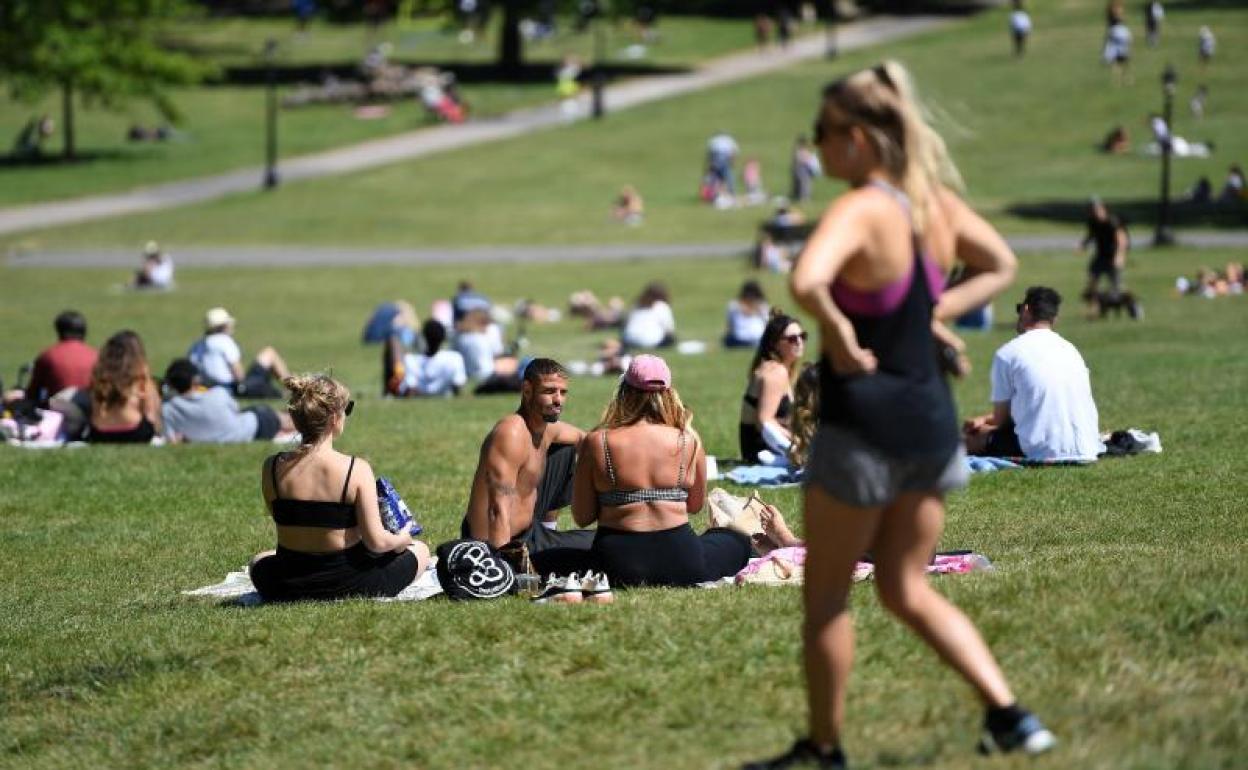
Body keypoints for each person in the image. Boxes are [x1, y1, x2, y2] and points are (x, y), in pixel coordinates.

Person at [747, 61, 1052, 769]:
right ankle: (1010, 715)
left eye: (823, 133)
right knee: (904, 586)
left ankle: (824, 749)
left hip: (863, 429)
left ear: (857, 137)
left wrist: (843, 335)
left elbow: (804, 279)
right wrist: (932, 311)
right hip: (930, 429)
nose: (817, 147)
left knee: (825, 597)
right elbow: (999, 263)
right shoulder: (934, 206)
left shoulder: (861, 207)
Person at [571, 355, 751, 587]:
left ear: (624, 392)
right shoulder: (688, 440)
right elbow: (695, 506)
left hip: (616, 563)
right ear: (668, 393)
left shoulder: (597, 441)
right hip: (682, 560)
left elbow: (583, 517)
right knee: (735, 539)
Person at [249, 374, 430, 601]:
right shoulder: (355, 469)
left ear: (296, 420)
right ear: (335, 418)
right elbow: (377, 542)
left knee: (259, 560)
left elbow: (287, 522)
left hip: (288, 582)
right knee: (421, 550)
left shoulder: (272, 467)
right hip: (350, 581)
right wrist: (402, 539)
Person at [461, 359, 594, 574]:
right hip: (494, 546)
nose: (558, 399)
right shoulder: (510, 433)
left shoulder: (547, 428)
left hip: (532, 534)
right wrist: (502, 569)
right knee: (600, 553)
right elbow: (497, 509)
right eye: (549, 391)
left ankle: (550, 532)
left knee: (604, 541)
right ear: (527, 391)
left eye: (563, 392)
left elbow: (586, 440)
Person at [963, 287, 1103, 463]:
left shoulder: (1008, 353)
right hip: (1088, 446)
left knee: (971, 437)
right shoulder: (1071, 349)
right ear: (1054, 319)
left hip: (1041, 450)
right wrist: (984, 419)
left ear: (1026, 309)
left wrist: (983, 424)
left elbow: (1002, 420)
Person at [161, 359, 295, 444]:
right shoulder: (218, 394)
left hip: (235, 428)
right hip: (253, 427)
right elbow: (235, 411)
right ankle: (302, 422)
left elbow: (171, 439)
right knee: (275, 416)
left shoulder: (168, 409)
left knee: (259, 411)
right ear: (194, 380)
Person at [739, 312, 806, 464]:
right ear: (774, 344)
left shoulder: (777, 368)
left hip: (765, 449)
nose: (799, 342)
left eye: (802, 336)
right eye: (792, 338)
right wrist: (797, 442)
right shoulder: (775, 372)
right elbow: (764, 422)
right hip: (763, 452)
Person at [188, 307, 290, 399]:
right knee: (269, 353)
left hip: (207, 389)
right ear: (224, 326)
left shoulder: (197, 345)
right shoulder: (224, 341)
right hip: (232, 388)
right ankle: (292, 388)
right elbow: (238, 373)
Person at [85, 331, 162, 444]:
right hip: (136, 432)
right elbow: (150, 407)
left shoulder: (100, 372)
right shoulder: (140, 370)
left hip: (99, 433)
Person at [25, 310, 97, 407]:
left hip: (58, 415)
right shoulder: (96, 356)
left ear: (59, 331)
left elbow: (32, 395)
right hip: (92, 414)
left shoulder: (48, 356)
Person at [386, 319, 467, 397]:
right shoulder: (455, 358)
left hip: (417, 393)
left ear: (424, 336)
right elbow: (458, 385)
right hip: (443, 394)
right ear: (443, 337)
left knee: (393, 343)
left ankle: (386, 392)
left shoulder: (411, 360)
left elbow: (410, 388)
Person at [1079, 197, 1129, 305]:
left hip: (1113, 256)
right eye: (1091, 210)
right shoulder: (1093, 222)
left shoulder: (1112, 221)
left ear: (1102, 208)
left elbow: (1122, 239)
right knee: (1092, 278)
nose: (1094, 212)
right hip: (1101, 255)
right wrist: (1083, 246)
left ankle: (1132, 304)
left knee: (1116, 286)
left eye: (1096, 209)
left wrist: (1119, 256)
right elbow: (1091, 235)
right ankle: (1096, 305)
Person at [622, 282, 675, 349]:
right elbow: (669, 329)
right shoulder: (661, 306)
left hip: (629, 339)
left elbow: (625, 322)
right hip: (650, 340)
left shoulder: (636, 304)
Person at [724, 280, 771, 349]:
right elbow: (767, 324)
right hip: (758, 337)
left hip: (739, 339)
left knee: (727, 339)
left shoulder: (733, 305)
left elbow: (730, 326)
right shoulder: (763, 306)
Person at [707, 131, 740, 198]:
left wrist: (711, 164)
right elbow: (733, 152)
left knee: (715, 179)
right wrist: (732, 162)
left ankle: (713, 195)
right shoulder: (729, 140)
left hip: (716, 159)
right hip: (724, 160)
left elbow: (711, 153)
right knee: (728, 178)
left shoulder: (714, 140)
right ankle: (731, 194)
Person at [790, 135, 821, 203]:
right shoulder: (800, 151)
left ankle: (802, 199)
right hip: (802, 173)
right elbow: (805, 160)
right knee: (803, 188)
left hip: (801, 172)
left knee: (803, 187)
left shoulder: (799, 151)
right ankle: (803, 199)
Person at [1103, 19, 1132, 85]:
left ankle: (1116, 82)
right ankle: (1128, 80)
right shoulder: (1125, 29)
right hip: (1125, 50)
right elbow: (1129, 39)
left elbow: (1109, 40)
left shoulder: (1112, 29)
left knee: (1116, 66)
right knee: (1126, 66)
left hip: (1116, 51)